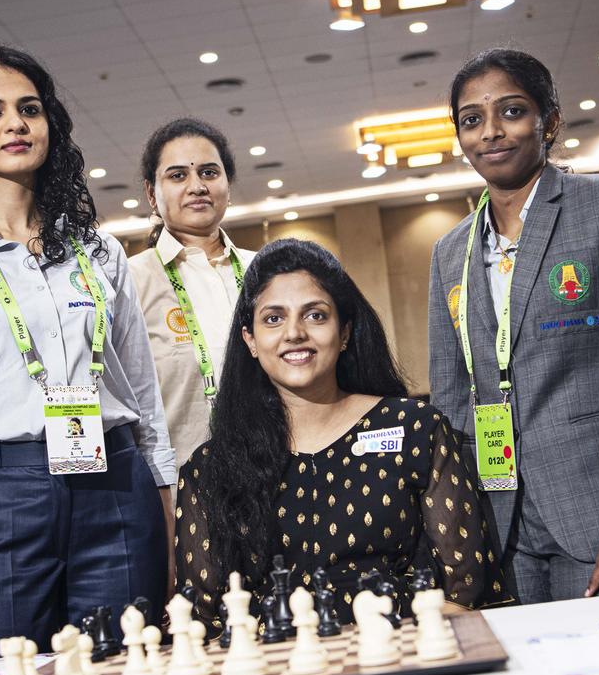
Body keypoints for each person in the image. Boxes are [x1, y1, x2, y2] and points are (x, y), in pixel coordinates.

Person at [0, 46, 174, 655]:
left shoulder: (99, 252)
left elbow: (145, 404)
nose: (15, 123)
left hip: (116, 485)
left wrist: (170, 536)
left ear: (51, 127)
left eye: (30, 109)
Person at [428, 48, 599, 605]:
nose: (491, 132)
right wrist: (455, 528)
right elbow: (449, 396)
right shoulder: (450, 252)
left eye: (511, 112)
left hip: (594, 507)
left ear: (551, 121)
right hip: (498, 516)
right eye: (472, 120)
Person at [177, 239, 511, 630]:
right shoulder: (210, 469)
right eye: (273, 319)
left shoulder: (415, 428)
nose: (294, 333)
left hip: (405, 660)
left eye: (315, 316)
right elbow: (204, 620)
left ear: (346, 331)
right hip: (280, 673)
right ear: (249, 340)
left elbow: (467, 591)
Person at [128, 118, 255, 469]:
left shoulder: (265, 270)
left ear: (228, 185)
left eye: (210, 173)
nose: (197, 186)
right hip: (182, 483)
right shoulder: (129, 280)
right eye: (178, 175)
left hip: (282, 472)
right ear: (152, 194)